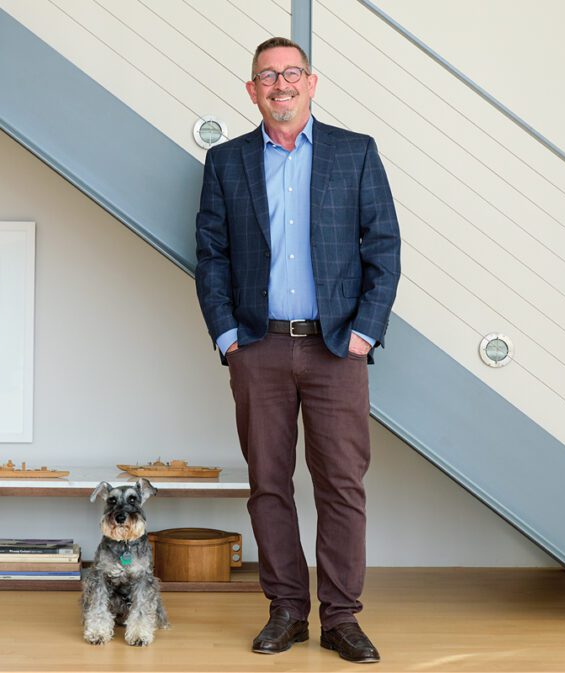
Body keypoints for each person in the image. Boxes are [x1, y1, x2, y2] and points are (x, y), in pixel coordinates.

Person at [194, 36, 401, 664]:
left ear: (312, 83)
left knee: (341, 485)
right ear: (251, 90)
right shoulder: (226, 162)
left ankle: (341, 618)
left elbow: (383, 248)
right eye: (267, 76)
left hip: (336, 349)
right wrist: (229, 336)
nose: (280, 85)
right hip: (258, 347)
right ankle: (287, 610)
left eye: (291, 74)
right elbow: (211, 255)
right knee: (268, 483)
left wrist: (364, 332)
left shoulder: (354, 153)